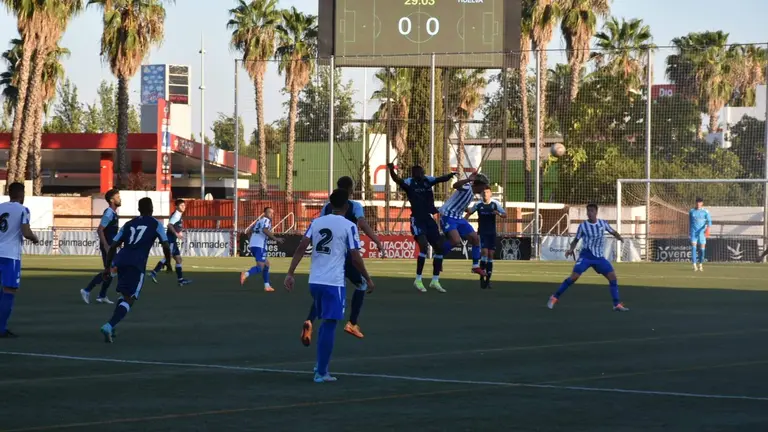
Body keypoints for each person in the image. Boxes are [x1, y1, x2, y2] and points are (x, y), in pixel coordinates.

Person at [285, 189, 374, 383]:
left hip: (314, 281)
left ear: (330, 204)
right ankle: (321, 371)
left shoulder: (316, 222)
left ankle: (320, 365)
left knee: (325, 321)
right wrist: (367, 277)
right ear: (347, 206)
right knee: (330, 325)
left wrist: (290, 273)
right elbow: (355, 255)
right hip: (333, 282)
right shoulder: (349, 226)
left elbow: (301, 247)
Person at [304, 176, 383, 341]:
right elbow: (362, 223)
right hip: (345, 255)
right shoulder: (354, 206)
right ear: (351, 189)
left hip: (326, 257)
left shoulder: (327, 207)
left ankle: (310, 320)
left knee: (324, 291)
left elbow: (317, 227)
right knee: (361, 285)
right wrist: (376, 240)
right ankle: (352, 323)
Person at [100, 197, 172, 343]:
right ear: (152, 209)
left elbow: (113, 246)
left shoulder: (129, 223)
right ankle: (109, 325)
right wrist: (168, 263)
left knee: (124, 295)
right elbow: (165, 244)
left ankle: (112, 326)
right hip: (136, 263)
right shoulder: (155, 224)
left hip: (121, 260)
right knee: (130, 298)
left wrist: (108, 267)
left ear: (139, 209)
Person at [547, 203, 629, 312]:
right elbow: (576, 240)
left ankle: (616, 304)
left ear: (596, 212)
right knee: (574, 277)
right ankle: (554, 297)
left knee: (613, 277)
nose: (589, 213)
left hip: (599, 257)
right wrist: (571, 249)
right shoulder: (583, 226)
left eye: (592, 211)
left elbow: (613, 232)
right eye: (588, 211)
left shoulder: (603, 223)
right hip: (586, 256)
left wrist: (620, 237)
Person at [388, 163, 456, 293]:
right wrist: (391, 170)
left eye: (420, 171)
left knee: (439, 249)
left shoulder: (427, 180)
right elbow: (397, 180)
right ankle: (418, 279)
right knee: (423, 245)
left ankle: (435, 280)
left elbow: (440, 179)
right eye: (416, 172)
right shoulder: (409, 183)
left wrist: (449, 176)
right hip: (417, 219)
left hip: (429, 218)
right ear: (413, 174)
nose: (419, 174)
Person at [0, 182, 39, 338]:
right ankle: (1, 329)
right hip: (10, 255)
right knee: (9, 290)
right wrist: (35, 239)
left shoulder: (0, 207)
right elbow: (25, 231)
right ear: (21, 194)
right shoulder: (23, 210)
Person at [439, 172, 489, 279]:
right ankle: (438, 256)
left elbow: (461, 203)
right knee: (455, 240)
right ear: (479, 185)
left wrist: (469, 210)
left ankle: (475, 266)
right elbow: (455, 186)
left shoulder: (473, 194)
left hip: (458, 218)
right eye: (484, 186)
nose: (484, 189)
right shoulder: (467, 187)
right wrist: (469, 179)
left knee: (475, 239)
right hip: (448, 215)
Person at [80, 188, 120, 305]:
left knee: (112, 270)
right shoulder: (108, 213)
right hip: (108, 247)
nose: (120, 199)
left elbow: (110, 231)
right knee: (111, 270)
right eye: (118, 197)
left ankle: (101, 295)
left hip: (111, 246)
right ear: (112, 200)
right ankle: (87, 290)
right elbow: (100, 230)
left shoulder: (113, 213)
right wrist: (106, 246)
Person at [466, 186, 506, 288]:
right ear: (481, 194)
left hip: (492, 233)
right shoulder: (478, 204)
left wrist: (498, 213)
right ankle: (481, 278)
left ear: (490, 194)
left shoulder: (495, 203)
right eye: (483, 192)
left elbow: (504, 214)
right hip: (482, 232)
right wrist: (463, 222)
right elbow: (469, 212)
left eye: (487, 192)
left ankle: (488, 281)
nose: (485, 194)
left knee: (491, 255)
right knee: (484, 252)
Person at [240, 207, 284, 292]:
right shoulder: (266, 221)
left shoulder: (258, 221)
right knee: (260, 267)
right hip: (259, 246)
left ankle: (267, 286)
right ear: (264, 213)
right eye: (269, 212)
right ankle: (245, 274)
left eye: (272, 213)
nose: (272, 214)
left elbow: (249, 231)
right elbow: (264, 230)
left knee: (266, 264)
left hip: (254, 245)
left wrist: (251, 241)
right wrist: (276, 238)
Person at [150, 199, 191, 285]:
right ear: (176, 207)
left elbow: (175, 226)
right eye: (181, 205)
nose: (183, 207)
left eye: (184, 205)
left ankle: (180, 280)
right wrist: (176, 234)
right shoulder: (176, 214)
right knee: (168, 257)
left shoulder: (178, 214)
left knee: (178, 259)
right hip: (170, 240)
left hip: (173, 240)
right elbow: (169, 225)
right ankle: (154, 272)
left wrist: (179, 232)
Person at [689, 197, 712, 272]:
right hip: (693, 232)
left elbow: (709, 221)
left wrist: (708, 230)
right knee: (693, 248)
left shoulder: (705, 212)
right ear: (695, 203)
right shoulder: (691, 211)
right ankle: (694, 265)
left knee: (702, 251)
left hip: (702, 233)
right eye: (697, 202)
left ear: (702, 203)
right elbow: (690, 222)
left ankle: (701, 264)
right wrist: (689, 232)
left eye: (700, 202)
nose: (698, 203)